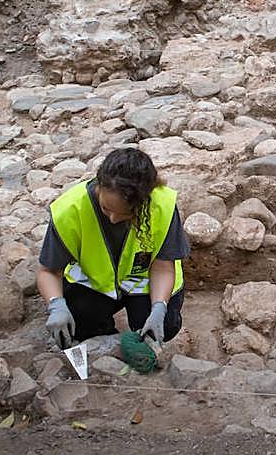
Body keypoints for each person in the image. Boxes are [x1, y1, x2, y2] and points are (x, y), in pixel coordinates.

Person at [36, 147, 189, 349]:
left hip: (142, 283)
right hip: (95, 285)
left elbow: (163, 267)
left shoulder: (161, 206)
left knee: (164, 326)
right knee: (75, 325)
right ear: (99, 185)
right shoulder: (70, 209)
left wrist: (159, 308)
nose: (114, 219)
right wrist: (56, 305)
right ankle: (102, 328)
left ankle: (150, 316)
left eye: (126, 214)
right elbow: (48, 271)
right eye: (106, 208)